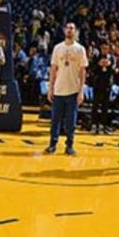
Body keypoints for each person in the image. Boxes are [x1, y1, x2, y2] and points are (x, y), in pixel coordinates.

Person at [45, 22, 88, 156]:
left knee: (71, 121)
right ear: (64, 31)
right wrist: (50, 88)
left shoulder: (80, 49)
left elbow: (82, 72)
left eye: (72, 28)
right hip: (59, 89)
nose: (69, 30)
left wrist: (81, 91)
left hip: (73, 90)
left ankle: (69, 145)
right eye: (67, 28)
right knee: (55, 120)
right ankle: (52, 144)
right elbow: (53, 69)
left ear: (76, 31)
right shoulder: (58, 48)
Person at [90, 41, 116, 134]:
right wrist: (98, 65)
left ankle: (103, 124)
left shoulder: (112, 58)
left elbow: (114, 70)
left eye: (106, 48)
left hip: (107, 84)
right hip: (97, 84)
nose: (104, 50)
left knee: (105, 106)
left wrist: (109, 65)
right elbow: (91, 69)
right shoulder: (96, 57)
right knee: (95, 105)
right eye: (103, 48)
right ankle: (94, 124)